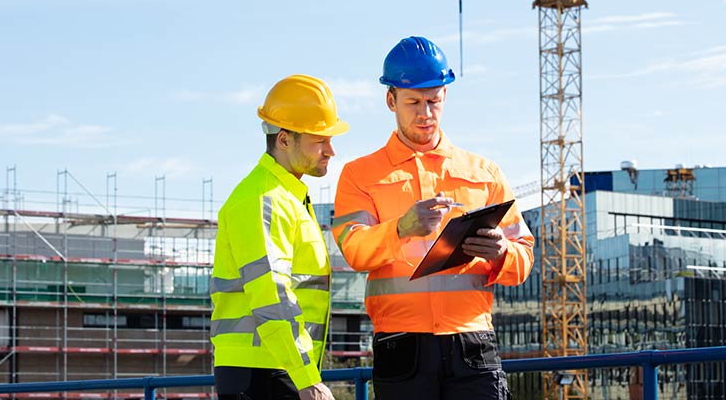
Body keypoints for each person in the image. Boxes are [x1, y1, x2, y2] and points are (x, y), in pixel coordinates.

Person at [332, 36, 534, 399]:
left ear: (445, 97)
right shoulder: (359, 175)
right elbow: (354, 250)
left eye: (433, 101)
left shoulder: (485, 172)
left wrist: (502, 251)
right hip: (401, 343)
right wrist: (400, 230)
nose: (425, 113)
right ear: (390, 100)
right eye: (413, 102)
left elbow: (524, 259)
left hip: (471, 341)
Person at [211, 74, 348, 400]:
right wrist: (305, 378)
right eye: (320, 140)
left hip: (275, 367)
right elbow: (271, 295)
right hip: (263, 373)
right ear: (284, 140)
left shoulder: (286, 197)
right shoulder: (263, 199)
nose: (331, 150)